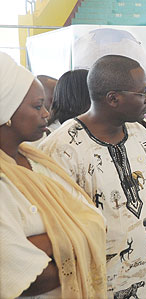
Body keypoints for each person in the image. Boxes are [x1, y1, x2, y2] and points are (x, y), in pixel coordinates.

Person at [39, 55, 146, 298]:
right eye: (143, 92)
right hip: (100, 287)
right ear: (113, 98)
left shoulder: (141, 134)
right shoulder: (60, 150)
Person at [0, 52, 107, 298]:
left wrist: (47, 241)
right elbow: (30, 277)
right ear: (6, 112)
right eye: (38, 106)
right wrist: (75, 236)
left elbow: (96, 220)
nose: (47, 114)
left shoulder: (38, 161)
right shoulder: (4, 180)